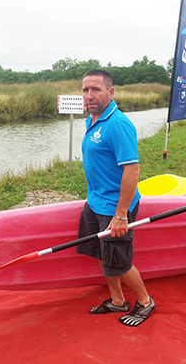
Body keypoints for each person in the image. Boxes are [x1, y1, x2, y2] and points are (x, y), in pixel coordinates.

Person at [76, 69, 155, 327]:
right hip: (95, 202)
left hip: (115, 207)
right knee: (100, 254)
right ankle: (117, 300)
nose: (89, 95)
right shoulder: (92, 120)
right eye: (86, 90)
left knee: (118, 262)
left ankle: (145, 301)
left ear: (110, 93)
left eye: (96, 90)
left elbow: (132, 170)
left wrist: (121, 215)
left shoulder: (118, 124)